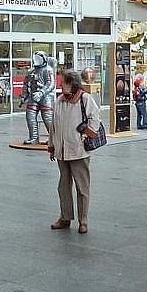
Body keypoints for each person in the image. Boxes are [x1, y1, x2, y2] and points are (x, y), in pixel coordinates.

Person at [47, 69, 101, 234]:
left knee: (82, 187)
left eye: (63, 81)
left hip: (79, 151)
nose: (60, 84)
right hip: (61, 152)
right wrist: (52, 146)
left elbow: (95, 120)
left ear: (72, 83)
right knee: (63, 186)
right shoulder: (59, 101)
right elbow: (53, 127)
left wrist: (85, 135)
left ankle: (83, 221)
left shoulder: (85, 99)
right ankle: (65, 217)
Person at [24, 51, 56, 144]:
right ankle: (33, 138)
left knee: (47, 118)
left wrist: (42, 92)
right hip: (33, 96)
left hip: (45, 97)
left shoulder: (48, 70)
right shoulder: (31, 71)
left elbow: (51, 84)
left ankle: (53, 138)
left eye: (38, 58)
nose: (36, 60)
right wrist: (24, 96)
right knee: (30, 116)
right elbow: (26, 84)